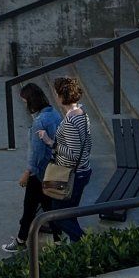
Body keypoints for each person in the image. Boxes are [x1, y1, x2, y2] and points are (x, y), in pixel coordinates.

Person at [3, 83, 60, 253]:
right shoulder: (55, 114)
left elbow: (37, 153)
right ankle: (57, 240)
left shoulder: (39, 122)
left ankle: (21, 241)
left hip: (39, 173)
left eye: (24, 101)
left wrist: (27, 173)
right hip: (53, 169)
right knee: (48, 207)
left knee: (30, 207)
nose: (24, 104)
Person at [44, 75, 94, 241]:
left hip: (70, 175)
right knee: (70, 214)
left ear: (61, 96)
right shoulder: (82, 113)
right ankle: (78, 246)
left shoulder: (71, 121)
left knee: (58, 215)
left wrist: (51, 143)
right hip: (82, 171)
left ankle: (83, 241)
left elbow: (73, 153)